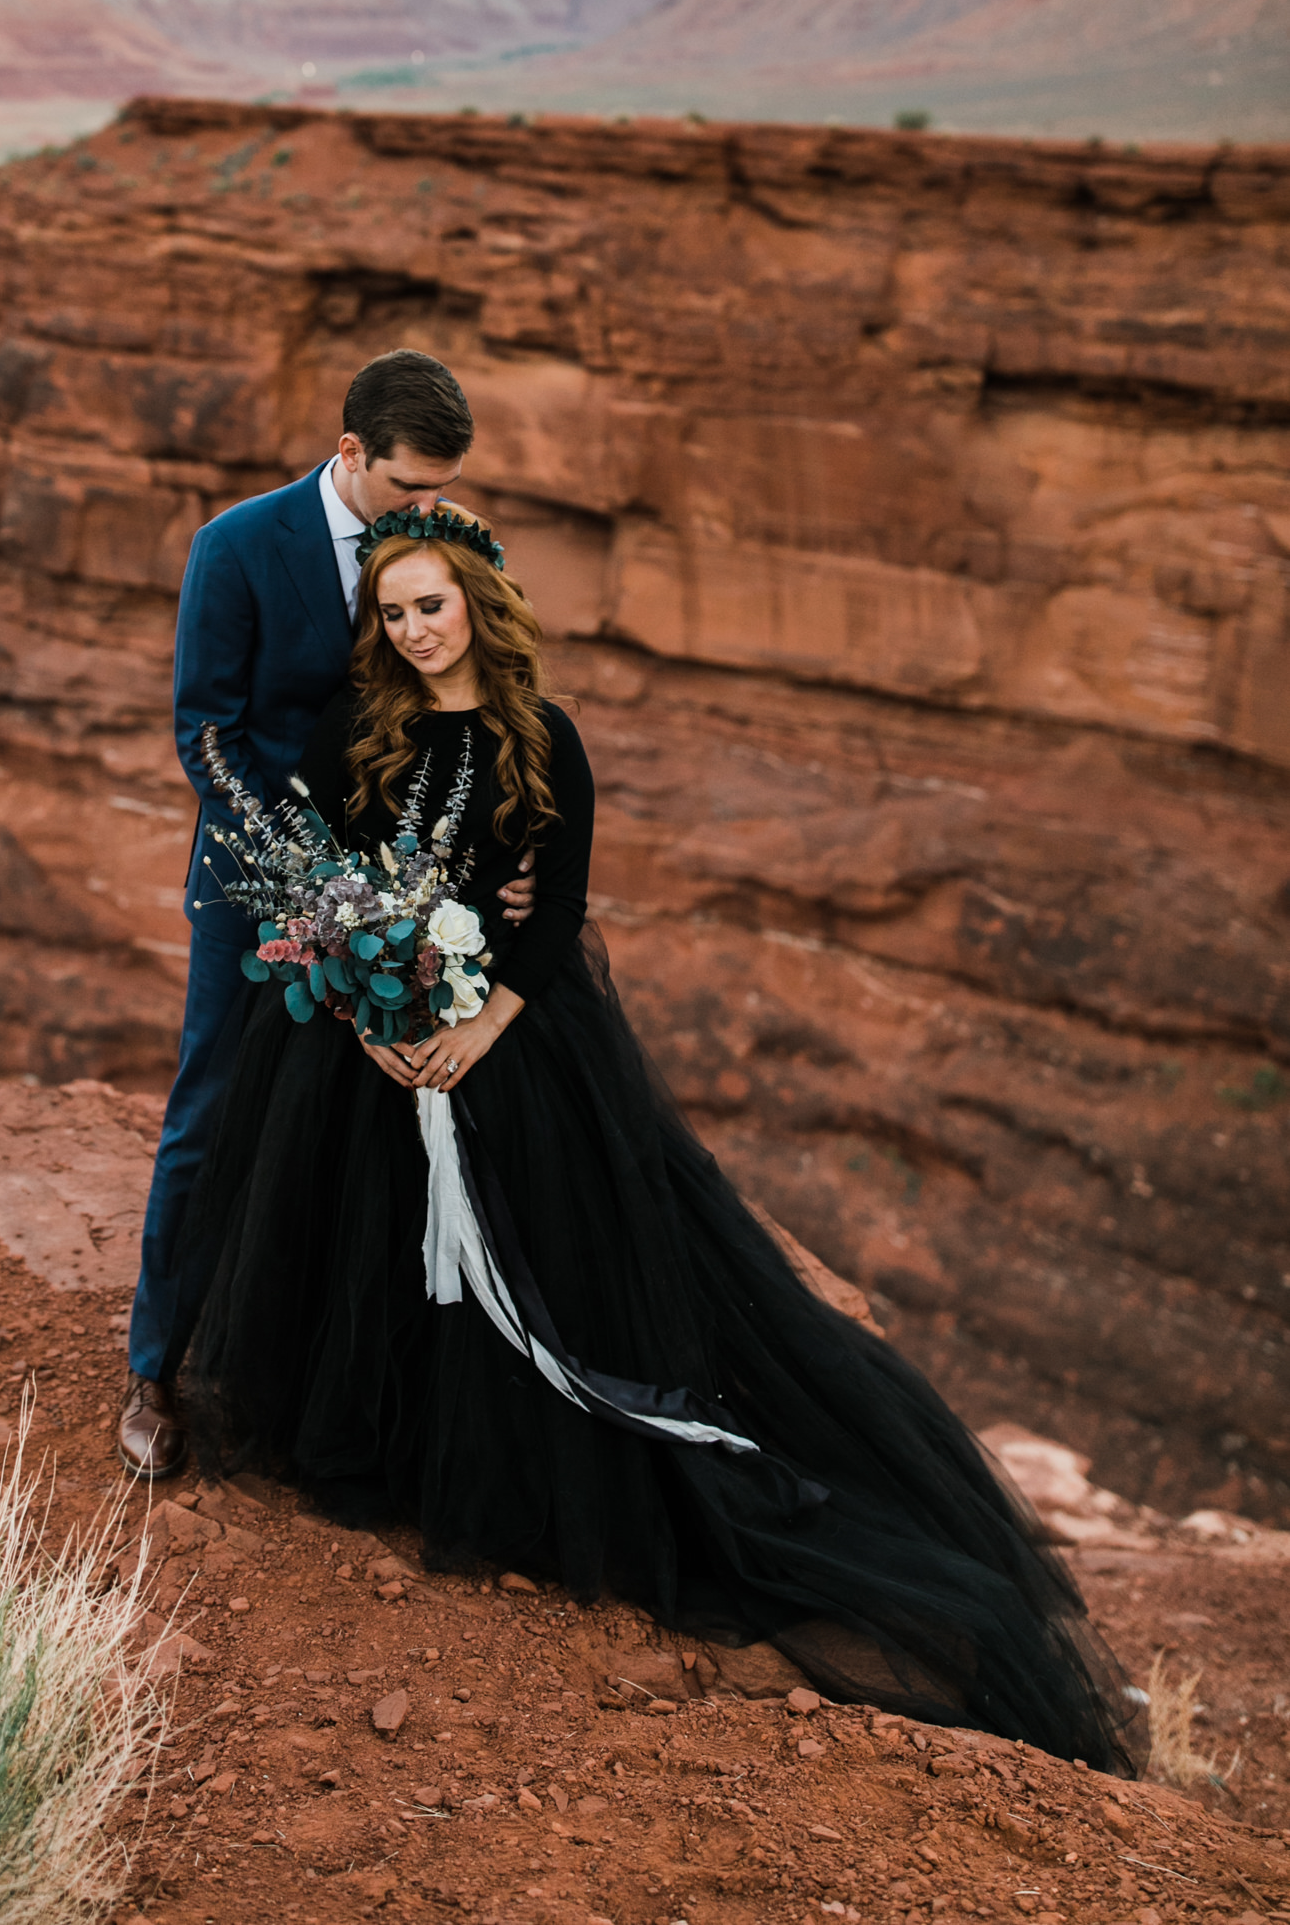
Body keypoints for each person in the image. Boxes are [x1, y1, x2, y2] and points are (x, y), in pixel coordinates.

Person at [165, 506, 1141, 1769]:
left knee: (535, 1272)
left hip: (509, 1039)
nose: (412, 629)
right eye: (393, 612)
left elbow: (556, 903)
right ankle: (380, 1448)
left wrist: (477, 1029)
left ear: (476, 604)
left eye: (431, 605)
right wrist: (364, 1014)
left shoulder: (542, 738)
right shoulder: (358, 733)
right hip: (363, 1047)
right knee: (363, 1250)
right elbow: (324, 884)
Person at [119, 350, 535, 1478]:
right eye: (408, 487)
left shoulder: (436, 542)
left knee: (367, 1127)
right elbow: (206, 734)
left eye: (439, 488)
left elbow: (477, 693)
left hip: (410, 883)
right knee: (215, 1108)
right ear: (349, 452)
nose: (429, 508)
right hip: (256, 886)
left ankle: (330, 1381)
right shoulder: (238, 546)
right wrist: (308, 881)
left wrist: (502, 854)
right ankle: (154, 1367)